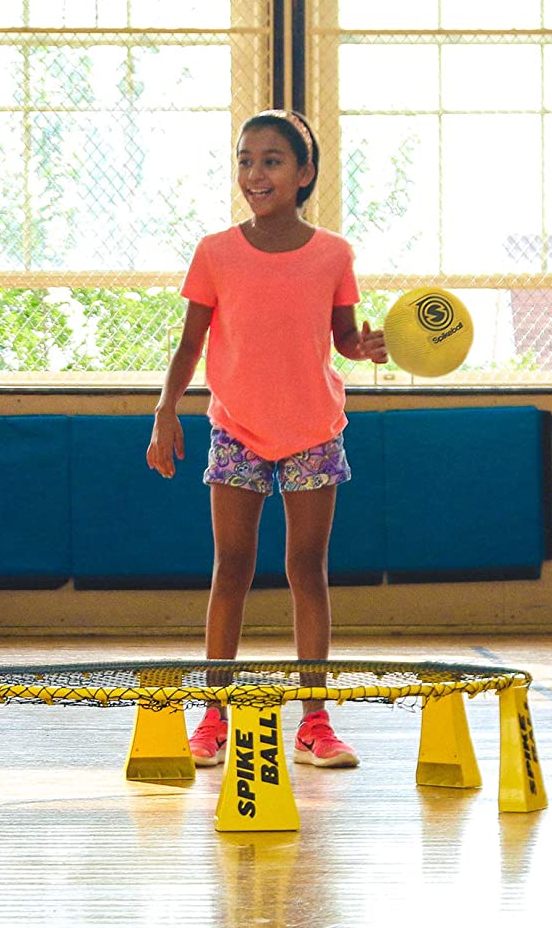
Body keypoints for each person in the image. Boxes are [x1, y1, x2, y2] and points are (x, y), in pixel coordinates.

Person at [146, 109, 387, 769]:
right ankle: (213, 717)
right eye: (246, 159)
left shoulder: (334, 252)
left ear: (305, 172)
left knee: (307, 569)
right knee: (232, 569)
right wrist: (166, 409)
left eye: (272, 160)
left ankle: (314, 721)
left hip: (312, 430)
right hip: (237, 431)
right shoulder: (215, 252)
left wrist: (361, 346)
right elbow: (190, 342)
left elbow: (341, 336)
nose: (256, 173)